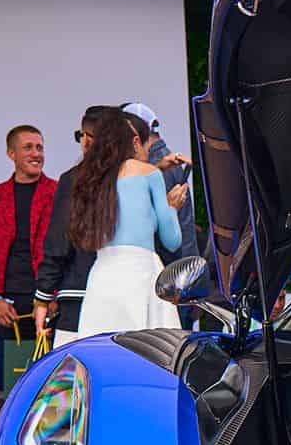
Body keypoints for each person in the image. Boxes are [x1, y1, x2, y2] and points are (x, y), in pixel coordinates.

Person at [40, 108, 182, 337]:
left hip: (102, 274)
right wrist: (172, 208)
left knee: (99, 346)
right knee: (147, 348)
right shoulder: (149, 173)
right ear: (134, 142)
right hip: (142, 273)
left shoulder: (92, 178)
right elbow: (172, 240)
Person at [0, 124, 56, 375]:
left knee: (52, 381)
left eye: (40, 148)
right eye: (28, 148)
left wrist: (52, 297)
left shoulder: (59, 192)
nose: (36, 154)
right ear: (11, 154)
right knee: (12, 382)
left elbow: (67, 250)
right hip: (6, 306)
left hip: (48, 301)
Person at [34, 106, 110, 340]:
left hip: (78, 293)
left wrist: (43, 296)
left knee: (73, 362)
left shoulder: (73, 180)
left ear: (87, 139)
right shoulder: (134, 179)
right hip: (124, 295)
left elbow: (59, 243)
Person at [120, 102, 197, 265]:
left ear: (135, 139)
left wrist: (170, 209)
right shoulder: (160, 162)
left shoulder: (151, 167)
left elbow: (170, 239)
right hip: (178, 265)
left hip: (171, 268)